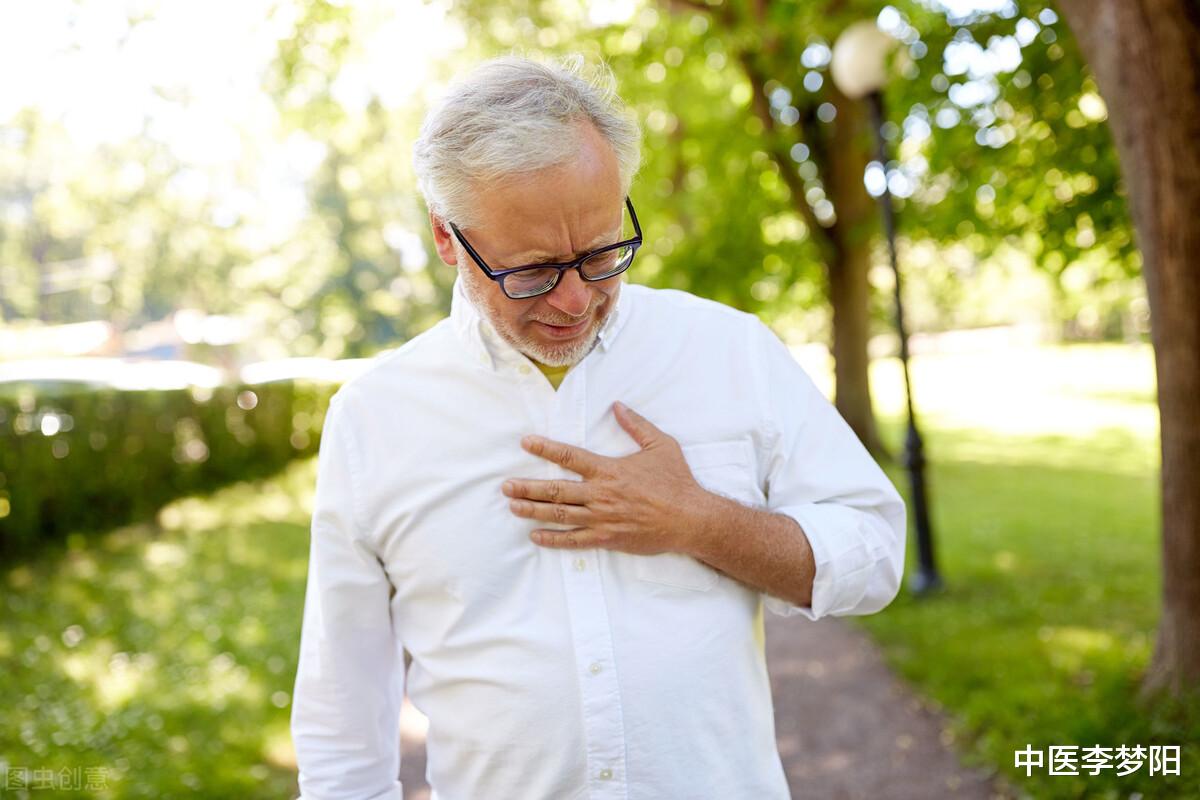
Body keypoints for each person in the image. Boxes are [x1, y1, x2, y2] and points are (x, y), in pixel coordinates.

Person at [290, 55, 906, 800]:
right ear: (448, 239)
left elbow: (875, 554)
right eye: (533, 271)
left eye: (601, 253)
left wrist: (699, 521)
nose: (577, 301)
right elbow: (342, 716)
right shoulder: (373, 418)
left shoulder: (729, 350)